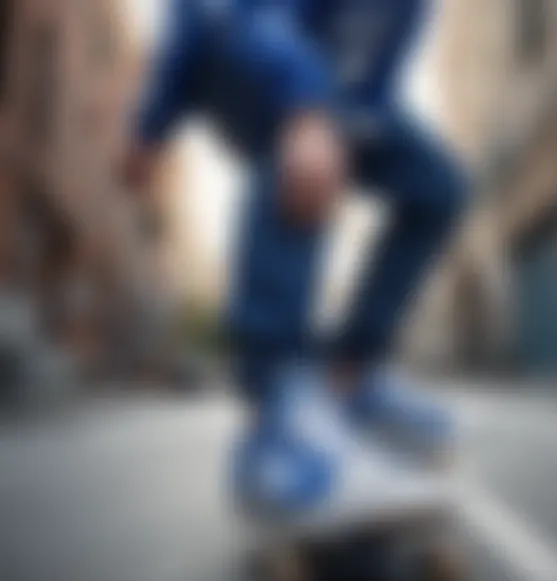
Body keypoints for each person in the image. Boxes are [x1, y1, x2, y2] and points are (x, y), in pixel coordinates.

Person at [124, 0, 468, 523]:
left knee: (437, 187)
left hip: (342, 96)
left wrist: (349, 124)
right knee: (295, 142)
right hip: (238, 46)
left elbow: (377, 71)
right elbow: (248, 20)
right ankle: (275, 415)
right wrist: (151, 127)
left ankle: (350, 375)